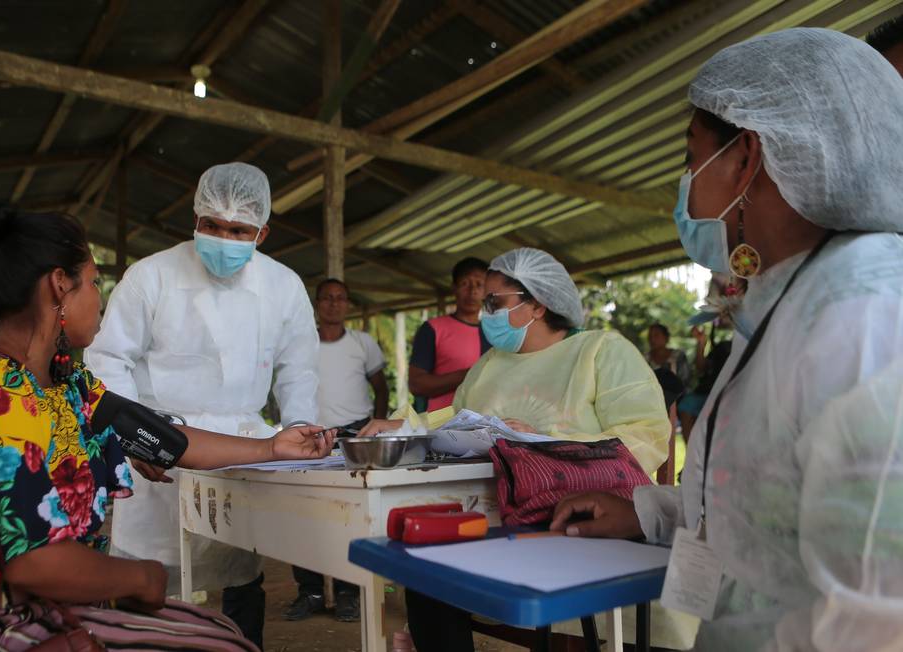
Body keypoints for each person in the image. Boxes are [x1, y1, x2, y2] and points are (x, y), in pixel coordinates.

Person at [550, 28, 903, 651]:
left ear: (746, 156)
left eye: (691, 157)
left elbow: (882, 612)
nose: (687, 182)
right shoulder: (793, 294)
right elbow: (770, 500)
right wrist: (650, 514)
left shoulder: (865, 312)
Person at [0, 204, 334, 651]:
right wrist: (141, 577)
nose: (100, 298)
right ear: (59, 285)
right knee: (224, 644)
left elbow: (163, 440)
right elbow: (32, 562)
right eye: (94, 282)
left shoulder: (66, 384)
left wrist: (271, 447)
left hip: (46, 608)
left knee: (224, 634)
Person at [362, 248, 679, 651]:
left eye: (495, 302)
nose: (486, 314)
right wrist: (408, 426)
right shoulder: (490, 364)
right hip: (495, 514)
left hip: (574, 517)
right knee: (426, 575)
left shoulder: (601, 350)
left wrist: (545, 443)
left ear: (538, 305)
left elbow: (644, 436)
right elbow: (459, 417)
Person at [85, 162, 319, 648]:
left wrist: (299, 428)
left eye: (238, 230)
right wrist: (137, 439)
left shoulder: (284, 286)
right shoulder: (151, 276)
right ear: (194, 220)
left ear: (262, 233)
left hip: (242, 451)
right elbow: (107, 360)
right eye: (212, 225)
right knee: (148, 575)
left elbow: (299, 369)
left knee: (240, 568)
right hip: (160, 446)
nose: (223, 238)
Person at [286, 278, 388, 623]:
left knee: (350, 514)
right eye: (327, 298)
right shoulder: (302, 343)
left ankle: (348, 592)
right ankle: (310, 591)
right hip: (310, 435)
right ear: (317, 304)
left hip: (354, 434)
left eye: (340, 298)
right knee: (305, 513)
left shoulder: (363, 343)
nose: (333, 304)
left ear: (348, 304)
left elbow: (380, 387)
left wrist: (376, 426)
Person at [408, 257, 490, 413]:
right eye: (465, 284)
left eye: (479, 285)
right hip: (442, 422)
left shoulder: (496, 333)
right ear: (454, 288)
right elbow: (416, 384)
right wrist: (470, 373)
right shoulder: (432, 329)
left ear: (487, 291)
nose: (472, 291)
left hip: (487, 421)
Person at [645, 323, 692, 389]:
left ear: (666, 337)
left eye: (656, 335)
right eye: (650, 336)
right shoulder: (645, 359)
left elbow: (685, 381)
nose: (652, 339)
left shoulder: (678, 356)